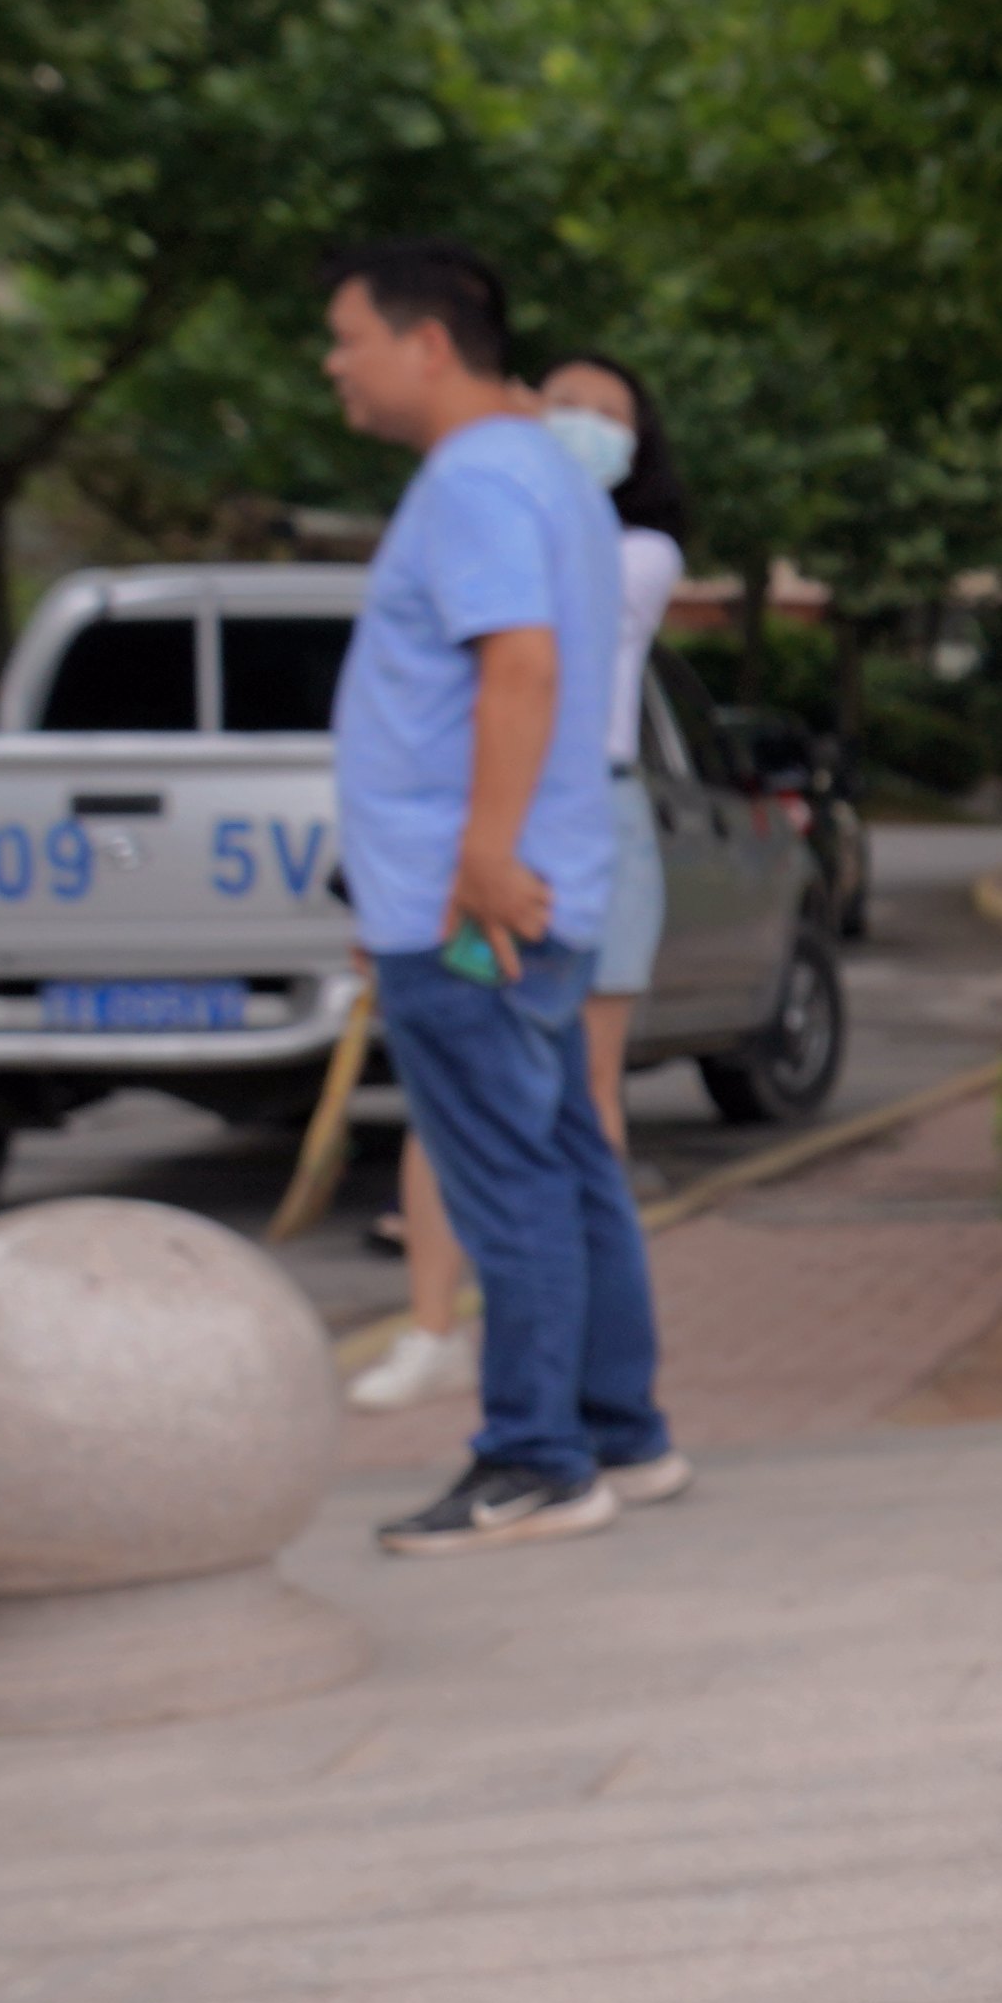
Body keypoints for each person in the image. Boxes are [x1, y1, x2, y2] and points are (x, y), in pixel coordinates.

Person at [322, 244, 672, 1554]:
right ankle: (619, 1430)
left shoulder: (473, 477)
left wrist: (475, 853)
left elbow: (516, 668)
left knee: (507, 1172)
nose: (334, 363)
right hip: (547, 884)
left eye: (347, 336)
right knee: (571, 1155)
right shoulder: (542, 473)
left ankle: (534, 1456)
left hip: (475, 903)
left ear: (426, 343)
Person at [364, 355, 691, 1413]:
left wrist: (482, 857)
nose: (583, 428)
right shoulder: (523, 508)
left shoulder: (613, 544)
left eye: (611, 417)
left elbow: (522, 672)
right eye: (566, 406)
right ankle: (483, 1356)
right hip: (504, 834)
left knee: (555, 1116)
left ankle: (552, 1433)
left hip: (537, 836)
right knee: (492, 1109)